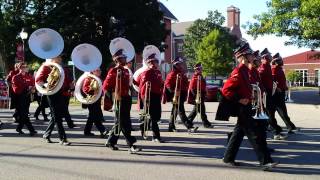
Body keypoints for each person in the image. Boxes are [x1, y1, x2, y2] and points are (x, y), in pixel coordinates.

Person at [222, 42, 278, 170]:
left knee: (238, 133)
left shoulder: (246, 71)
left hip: (248, 107)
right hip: (243, 108)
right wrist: (240, 99)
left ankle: (228, 158)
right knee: (255, 135)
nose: (253, 57)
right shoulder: (238, 71)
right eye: (250, 55)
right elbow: (226, 90)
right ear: (243, 57)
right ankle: (265, 161)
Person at [103, 49, 141, 153]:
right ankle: (131, 145)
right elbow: (106, 86)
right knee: (124, 123)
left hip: (126, 98)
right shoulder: (113, 71)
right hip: (118, 99)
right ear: (118, 60)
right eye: (124, 58)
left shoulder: (125, 71)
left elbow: (129, 85)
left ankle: (110, 141)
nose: (126, 59)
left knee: (120, 122)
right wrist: (112, 99)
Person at [36, 55, 71, 145]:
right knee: (57, 117)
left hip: (61, 94)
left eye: (60, 57)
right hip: (51, 94)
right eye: (58, 57)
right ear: (53, 58)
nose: (60, 58)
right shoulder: (45, 67)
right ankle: (62, 139)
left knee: (56, 116)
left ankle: (46, 134)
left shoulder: (61, 68)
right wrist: (46, 85)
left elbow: (64, 82)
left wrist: (70, 86)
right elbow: (38, 80)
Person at [258, 48, 286, 140]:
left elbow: (271, 79)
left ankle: (274, 130)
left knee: (270, 113)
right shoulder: (263, 68)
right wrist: (264, 91)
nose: (271, 57)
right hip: (266, 93)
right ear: (265, 57)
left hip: (270, 92)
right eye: (269, 55)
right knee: (269, 114)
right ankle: (276, 131)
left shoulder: (267, 67)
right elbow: (260, 81)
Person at [136, 53, 164, 143]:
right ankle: (156, 136)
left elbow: (160, 84)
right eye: (154, 62)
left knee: (155, 116)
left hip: (156, 96)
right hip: (149, 96)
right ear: (150, 62)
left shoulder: (158, 72)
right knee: (153, 117)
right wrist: (145, 98)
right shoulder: (146, 72)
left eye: (156, 62)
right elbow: (142, 85)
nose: (156, 63)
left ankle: (143, 126)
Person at [164, 57, 197, 133]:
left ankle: (171, 127)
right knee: (181, 111)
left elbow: (185, 84)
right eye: (179, 64)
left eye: (181, 64)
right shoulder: (172, 74)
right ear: (175, 65)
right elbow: (167, 85)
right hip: (175, 95)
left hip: (181, 95)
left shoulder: (181, 73)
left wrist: (187, 80)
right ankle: (189, 126)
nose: (181, 65)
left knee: (174, 111)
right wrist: (173, 93)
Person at [271, 53, 297, 134]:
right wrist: (278, 87)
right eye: (280, 60)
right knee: (279, 111)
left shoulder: (279, 69)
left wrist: (285, 86)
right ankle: (289, 127)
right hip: (277, 93)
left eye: (281, 60)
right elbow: (272, 80)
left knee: (282, 111)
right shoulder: (274, 69)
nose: (282, 61)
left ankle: (290, 126)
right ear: (276, 62)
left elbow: (281, 79)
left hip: (281, 92)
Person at [11, 62, 37, 135]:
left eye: (26, 66)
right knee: (24, 115)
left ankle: (19, 128)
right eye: (23, 67)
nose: (25, 68)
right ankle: (31, 130)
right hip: (19, 99)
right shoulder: (15, 77)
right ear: (20, 68)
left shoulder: (29, 76)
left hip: (27, 98)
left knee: (24, 115)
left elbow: (33, 86)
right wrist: (26, 89)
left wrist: (33, 90)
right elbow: (15, 90)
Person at [82, 68, 108, 137]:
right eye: (98, 70)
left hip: (97, 100)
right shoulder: (89, 79)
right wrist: (93, 91)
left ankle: (87, 131)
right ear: (93, 71)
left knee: (92, 116)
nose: (100, 71)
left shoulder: (99, 79)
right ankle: (102, 130)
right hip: (91, 100)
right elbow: (85, 89)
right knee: (94, 115)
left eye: (100, 70)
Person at [187, 63, 213, 128]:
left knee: (196, 111)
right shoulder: (195, 77)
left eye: (201, 69)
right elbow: (192, 88)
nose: (201, 70)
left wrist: (205, 94)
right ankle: (206, 123)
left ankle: (188, 121)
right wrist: (196, 96)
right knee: (202, 111)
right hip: (198, 96)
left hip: (201, 95)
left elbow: (203, 86)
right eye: (199, 69)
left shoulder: (200, 76)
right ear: (196, 70)